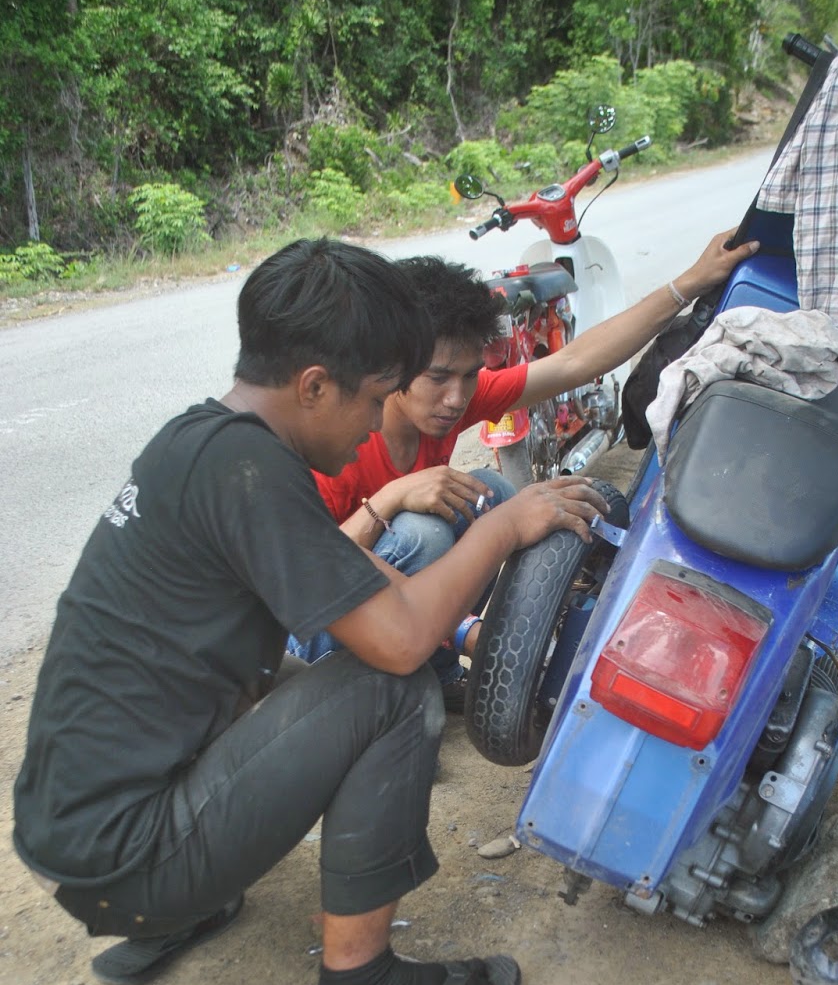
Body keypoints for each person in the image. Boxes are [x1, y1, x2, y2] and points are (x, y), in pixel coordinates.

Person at [11, 238, 611, 985]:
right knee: (393, 692)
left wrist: (464, 598)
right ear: (313, 385)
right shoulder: (250, 474)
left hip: (69, 828)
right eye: (375, 399)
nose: (378, 421)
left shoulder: (204, 443)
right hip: (122, 856)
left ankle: (192, 903)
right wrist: (507, 526)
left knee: (315, 674)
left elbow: (369, 589)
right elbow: (400, 642)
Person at [290, 230, 759, 694]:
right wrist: (390, 500)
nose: (456, 398)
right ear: (393, 364)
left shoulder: (443, 403)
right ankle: (407, 671)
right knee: (424, 532)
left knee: (488, 492)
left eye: (470, 376)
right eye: (438, 378)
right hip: (309, 631)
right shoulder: (341, 439)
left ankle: (435, 666)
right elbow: (305, 569)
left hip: (392, 609)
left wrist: (692, 282)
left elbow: (575, 362)